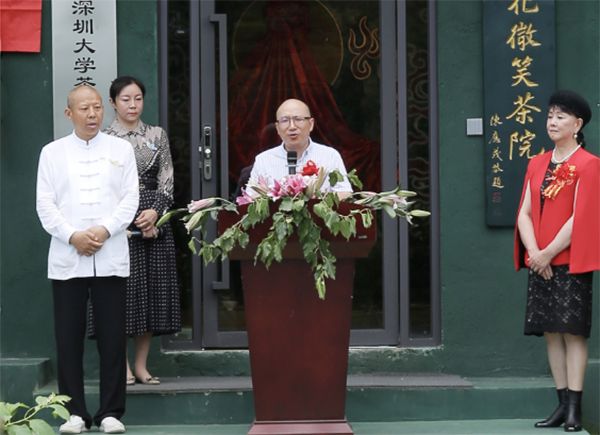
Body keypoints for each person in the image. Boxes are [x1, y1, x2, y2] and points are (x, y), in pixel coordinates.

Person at [36, 85, 139, 434]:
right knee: (68, 337)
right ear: (69, 113)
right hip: (68, 256)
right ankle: (74, 413)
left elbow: (130, 199)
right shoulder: (51, 153)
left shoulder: (121, 149)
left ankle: (111, 412)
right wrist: (72, 236)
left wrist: (105, 230)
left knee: (112, 336)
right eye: (85, 108)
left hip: (109, 254)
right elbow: (45, 205)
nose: (93, 114)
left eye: (97, 107)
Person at [87, 76, 181, 386]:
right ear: (112, 103)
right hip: (117, 224)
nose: (133, 105)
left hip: (154, 220)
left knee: (151, 296)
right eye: (125, 99)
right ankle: (123, 367)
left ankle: (141, 366)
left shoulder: (157, 134)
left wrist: (156, 212)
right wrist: (121, 221)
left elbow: (167, 179)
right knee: (122, 297)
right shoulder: (103, 138)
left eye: (138, 98)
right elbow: (99, 186)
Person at [514, 90, 600, 432]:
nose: (552, 121)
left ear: (577, 125)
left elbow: (581, 217)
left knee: (573, 333)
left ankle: (575, 408)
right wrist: (535, 253)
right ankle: (561, 404)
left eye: (561, 116)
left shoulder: (589, 164)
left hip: (569, 261)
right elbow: (523, 213)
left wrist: (548, 253)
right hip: (540, 260)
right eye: (550, 115)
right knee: (551, 332)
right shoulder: (536, 163)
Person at [248, 98, 352, 194]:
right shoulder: (263, 160)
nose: (292, 126)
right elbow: (250, 199)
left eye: (298, 119)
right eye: (285, 120)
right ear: (277, 128)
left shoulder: (330, 156)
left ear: (311, 124)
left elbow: (344, 193)